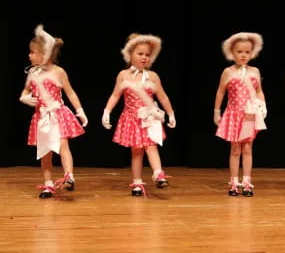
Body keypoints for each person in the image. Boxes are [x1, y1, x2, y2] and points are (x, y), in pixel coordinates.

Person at [102, 33, 176, 196]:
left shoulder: (153, 76)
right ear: (129, 54)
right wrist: (107, 111)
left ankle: (158, 174)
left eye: (147, 55)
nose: (144, 58)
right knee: (136, 151)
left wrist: (170, 113)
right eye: (140, 54)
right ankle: (137, 182)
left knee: (151, 145)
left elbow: (162, 96)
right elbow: (115, 95)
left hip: (149, 119)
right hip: (132, 119)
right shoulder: (123, 75)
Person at [19, 25, 88, 199]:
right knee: (45, 151)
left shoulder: (59, 72)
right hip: (41, 116)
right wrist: (24, 98)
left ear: (46, 54)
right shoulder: (33, 74)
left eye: (33, 52)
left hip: (58, 115)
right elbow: (25, 92)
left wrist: (80, 111)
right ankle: (48, 184)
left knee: (63, 146)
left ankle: (69, 176)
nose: (29, 55)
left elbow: (70, 92)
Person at [214, 32, 267, 197]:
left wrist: (263, 107)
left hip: (250, 115)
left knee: (247, 148)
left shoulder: (255, 71)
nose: (243, 55)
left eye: (247, 52)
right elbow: (220, 93)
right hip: (234, 114)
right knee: (235, 149)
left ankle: (247, 181)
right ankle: (234, 181)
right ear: (232, 52)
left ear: (252, 53)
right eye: (239, 52)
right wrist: (217, 112)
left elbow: (259, 90)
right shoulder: (228, 72)